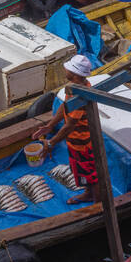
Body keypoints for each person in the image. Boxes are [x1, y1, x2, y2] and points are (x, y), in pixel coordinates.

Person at [33, 54, 97, 203]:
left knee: (90, 174)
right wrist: (50, 126)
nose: (64, 71)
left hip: (83, 143)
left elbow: (70, 125)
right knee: (81, 171)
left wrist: (51, 143)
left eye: (67, 69)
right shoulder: (74, 87)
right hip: (74, 142)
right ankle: (88, 193)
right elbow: (65, 106)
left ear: (74, 73)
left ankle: (98, 202)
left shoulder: (80, 96)